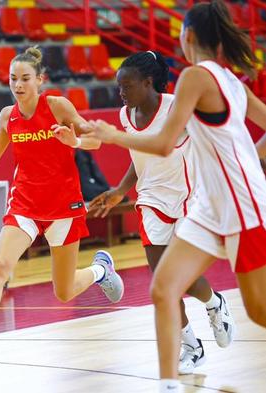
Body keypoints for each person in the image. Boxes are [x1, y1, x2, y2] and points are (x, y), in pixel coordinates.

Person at [73, 2, 266, 391]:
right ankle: (170, 384)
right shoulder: (230, 80)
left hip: (240, 206)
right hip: (210, 208)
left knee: (260, 312)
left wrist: (109, 136)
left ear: (188, 35)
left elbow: (162, 145)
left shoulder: (196, 78)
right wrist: (251, 154)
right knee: (163, 288)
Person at [0, 46, 125, 372]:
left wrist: (74, 142)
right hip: (25, 205)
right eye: (13, 78)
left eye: (25, 78)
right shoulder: (8, 116)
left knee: (63, 292)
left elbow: (95, 141)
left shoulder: (57, 106)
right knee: (1, 266)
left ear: (40, 80)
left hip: (63, 206)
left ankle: (101, 270)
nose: (18, 85)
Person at [88, 51, 235, 375]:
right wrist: (119, 191)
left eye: (127, 86)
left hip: (189, 199)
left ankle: (214, 303)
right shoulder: (127, 115)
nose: (121, 93)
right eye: (118, 87)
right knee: (162, 279)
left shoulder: (176, 108)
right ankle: (192, 348)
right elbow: (139, 155)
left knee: (181, 278)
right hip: (151, 199)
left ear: (148, 82)